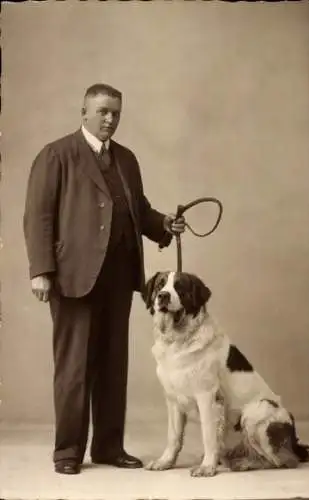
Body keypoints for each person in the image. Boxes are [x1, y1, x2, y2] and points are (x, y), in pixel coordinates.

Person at [23, 83, 186, 475]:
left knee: (113, 366)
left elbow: (138, 210)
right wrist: (41, 271)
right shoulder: (57, 155)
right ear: (84, 112)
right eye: (102, 112)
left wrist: (164, 224)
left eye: (115, 112)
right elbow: (38, 216)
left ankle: (110, 447)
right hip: (73, 278)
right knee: (74, 368)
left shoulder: (127, 159)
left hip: (119, 279)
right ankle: (67, 453)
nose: (109, 119)